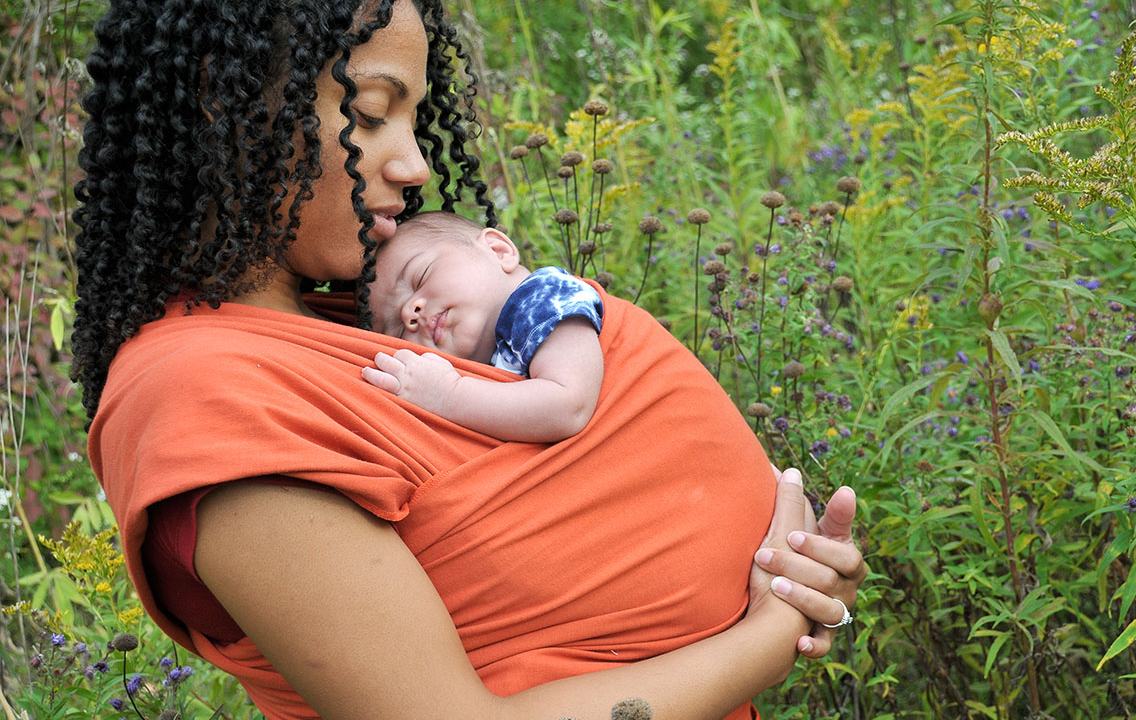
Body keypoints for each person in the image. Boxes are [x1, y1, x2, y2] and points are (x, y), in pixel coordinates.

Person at [72, 2, 869, 719]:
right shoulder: (205, 398)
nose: (415, 164)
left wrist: (788, 567)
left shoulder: (362, 318)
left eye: (416, 119)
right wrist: (772, 631)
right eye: (373, 112)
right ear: (228, 103)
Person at [363, 211, 605, 442]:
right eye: (396, 330)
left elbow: (569, 407)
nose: (409, 313)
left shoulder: (544, 298)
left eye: (420, 276)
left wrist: (449, 395)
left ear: (498, 251)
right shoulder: (485, 358)